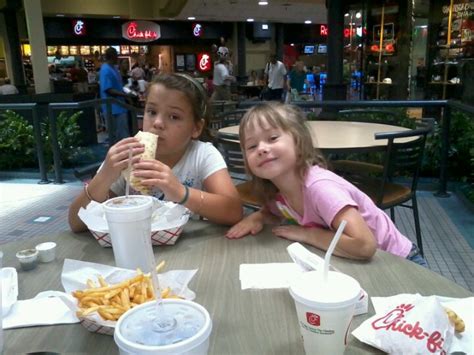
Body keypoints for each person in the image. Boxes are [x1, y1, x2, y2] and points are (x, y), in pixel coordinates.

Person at [226, 102, 427, 266]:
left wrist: (307, 234)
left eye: (272, 138)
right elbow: (275, 211)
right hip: (360, 265)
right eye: (252, 146)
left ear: (298, 141)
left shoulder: (320, 188)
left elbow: (365, 245)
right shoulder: (277, 190)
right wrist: (258, 218)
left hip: (400, 263)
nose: (261, 148)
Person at [68, 73, 243, 233]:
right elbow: (76, 223)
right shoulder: (128, 157)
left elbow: (234, 211)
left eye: (174, 116)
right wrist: (105, 175)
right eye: (151, 112)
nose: (158, 123)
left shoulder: (202, 154)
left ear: (196, 128)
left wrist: (180, 192)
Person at [99, 47, 133, 141]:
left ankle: (126, 154)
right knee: (116, 136)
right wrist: (126, 95)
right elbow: (108, 89)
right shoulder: (105, 70)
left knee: (124, 133)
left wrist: (127, 95)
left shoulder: (114, 69)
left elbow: (118, 86)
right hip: (112, 109)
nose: (118, 58)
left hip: (120, 107)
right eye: (116, 56)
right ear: (112, 56)